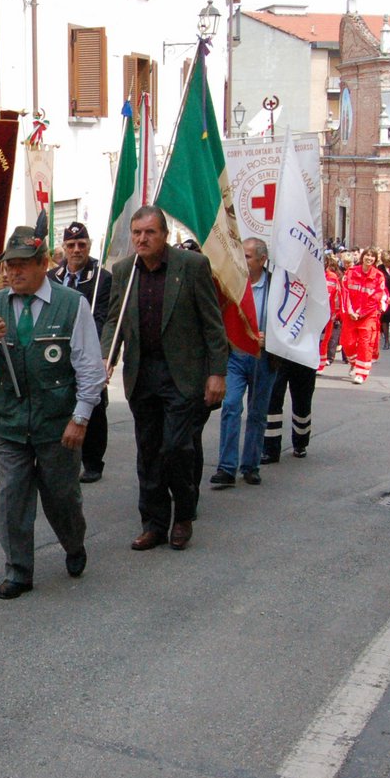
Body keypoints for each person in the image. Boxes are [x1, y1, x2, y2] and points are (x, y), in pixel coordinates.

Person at [0, 227, 105, 598]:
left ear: (45, 264)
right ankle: (18, 570)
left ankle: (74, 544)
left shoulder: (71, 303)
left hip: (57, 424)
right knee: (12, 498)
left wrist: (80, 417)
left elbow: (90, 367)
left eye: (23, 265)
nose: (14, 273)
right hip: (10, 422)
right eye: (10, 266)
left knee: (62, 497)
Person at [100, 206, 227, 551]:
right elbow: (115, 319)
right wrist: (106, 356)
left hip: (182, 374)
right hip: (143, 375)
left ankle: (183, 516)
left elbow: (212, 324)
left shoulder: (191, 267)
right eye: (137, 232)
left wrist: (217, 373)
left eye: (149, 232)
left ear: (164, 235)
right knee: (149, 452)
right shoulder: (125, 272)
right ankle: (154, 523)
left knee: (176, 448)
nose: (142, 238)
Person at [50, 221, 113, 482]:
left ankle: (93, 461)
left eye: (81, 245)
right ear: (64, 248)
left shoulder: (101, 278)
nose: (77, 250)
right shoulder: (51, 277)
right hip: (59, 352)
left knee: (94, 407)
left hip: (89, 349)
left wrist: (97, 351)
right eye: (71, 245)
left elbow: (103, 317)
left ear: (88, 246)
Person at [211, 238, 274, 489]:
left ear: (262, 260)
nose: (242, 260)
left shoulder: (275, 287)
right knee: (231, 405)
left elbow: (284, 319)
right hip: (236, 356)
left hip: (264, 358)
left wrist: (272, 337)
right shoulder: (234, 284)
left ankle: (251, 466)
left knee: (257, 414)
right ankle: (227, 468)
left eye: (247, 256)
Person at [340, 249, 387, 384]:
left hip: (368, 315)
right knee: (347, 343)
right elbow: (345, 292)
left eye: (372, 256)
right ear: (362, 257)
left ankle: (361, 372)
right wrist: (350, 311)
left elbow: (376, 297)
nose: (369, 258)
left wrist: (361, 313)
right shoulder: (351, 272)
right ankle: (354, 363)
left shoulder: (378, 276)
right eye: (367, 255)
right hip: (350, 314)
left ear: (375, 260)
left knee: (365, 344)